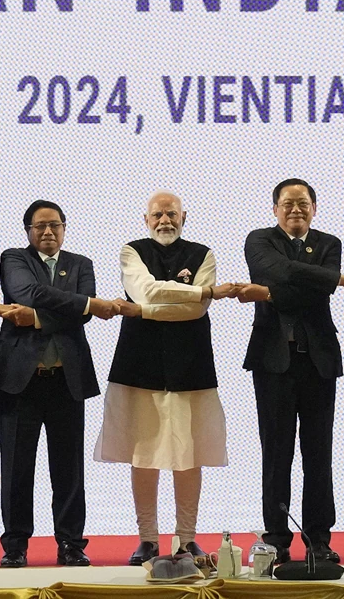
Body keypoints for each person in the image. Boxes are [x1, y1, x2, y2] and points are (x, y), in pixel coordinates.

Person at [0, 200, 136, 567]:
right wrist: (87, 303)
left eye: (55, 225)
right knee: (16, 468)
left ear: (64, 227)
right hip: (20, 380)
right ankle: (16, 546)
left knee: (68, 468)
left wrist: (42, 319)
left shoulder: (80, 264)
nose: (48, 232)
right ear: (28, 231)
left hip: (66, 380)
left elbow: (79, 320)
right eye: (39, 226)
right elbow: (29, 295)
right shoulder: (14, 259)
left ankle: (71, 543)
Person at [95, 191, 235, 565]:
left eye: (171, 214)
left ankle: (187, 539)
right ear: (146, 219)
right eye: (157, 214)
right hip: (139, 364)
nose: (164, 220)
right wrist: (201, 291)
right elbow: (147, 290)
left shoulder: (203, 253)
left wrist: (143, 311)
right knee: (143, 453)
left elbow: (194, 311)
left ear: (184, 216)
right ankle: (148, 539)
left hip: (192, 365)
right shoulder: (132, 250)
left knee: (191, 453)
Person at [240, 178, 344, 564]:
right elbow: (273, 269)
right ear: (275, 209)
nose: (296, 210)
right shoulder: (259, 239)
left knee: (319, 454)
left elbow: (310, 292)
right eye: (288, 203)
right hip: (272, 361)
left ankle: (318, 538)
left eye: (303, 203)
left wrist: (268, 292)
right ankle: (277, 539)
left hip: (318, 361)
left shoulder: (329, 243)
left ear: (314, 208)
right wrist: (340, 278)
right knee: (276, 453)